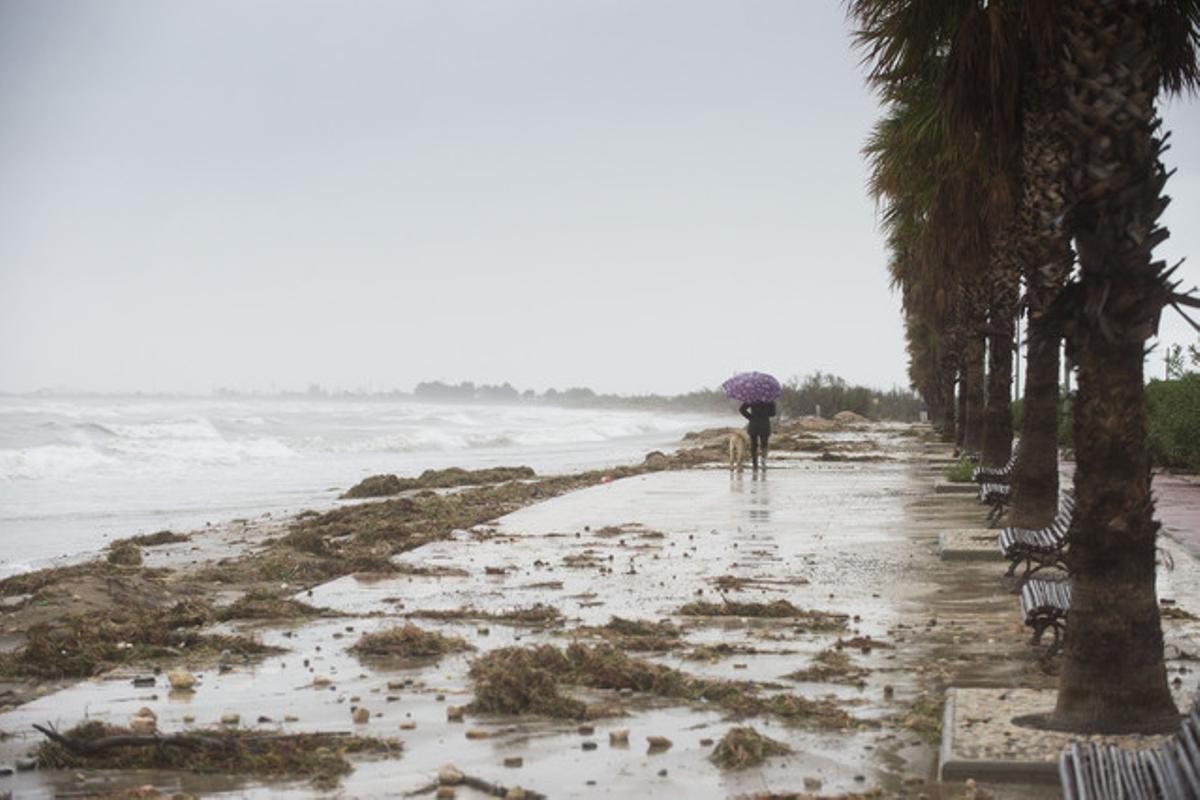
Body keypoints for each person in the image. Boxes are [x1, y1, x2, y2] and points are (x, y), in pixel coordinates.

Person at [739, 400, 777, 469]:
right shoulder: (769, 399)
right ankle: (763, 461)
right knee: (764, 444)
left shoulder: (752, 398)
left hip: (754, 424)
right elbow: (773, 413)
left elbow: (741, 409)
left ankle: (755, 464)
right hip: (764, 425)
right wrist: (766, 412)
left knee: (754, 445)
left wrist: (750, 417)